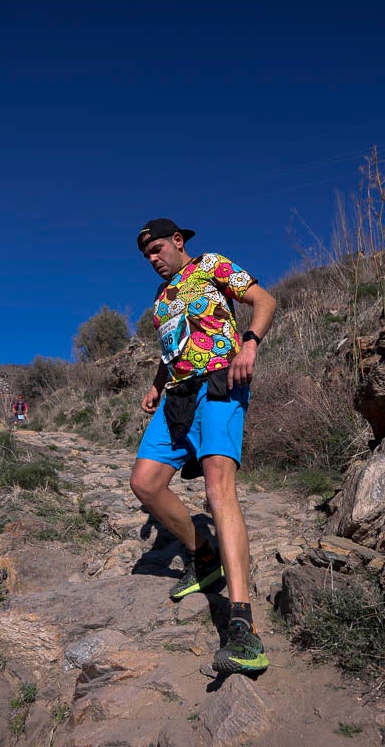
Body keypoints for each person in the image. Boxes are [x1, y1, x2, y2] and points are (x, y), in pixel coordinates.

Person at [129, 217, 277, 675]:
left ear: (177, 242)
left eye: (157, 249)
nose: (153, 259)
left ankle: (241, 623)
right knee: (145, 483)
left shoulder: (210, 265)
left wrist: (249, 343)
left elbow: (264, 299)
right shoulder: (161, 300)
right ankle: (204, 554)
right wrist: (157, 384)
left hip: (220, 384)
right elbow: (170, 347)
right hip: (176, 395)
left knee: (218, 490)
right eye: (146, 255)